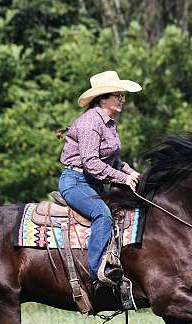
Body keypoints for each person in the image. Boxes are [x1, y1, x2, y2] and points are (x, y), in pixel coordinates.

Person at [58, 70, 142, 287]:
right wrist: (122, 179)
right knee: (102, 215)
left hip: (93, 182)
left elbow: (112, 161)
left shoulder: (109, 123)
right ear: (103, 98)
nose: (122, 99)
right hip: (75, 182)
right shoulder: (90, 122)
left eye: (122, 95)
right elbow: (91, 163)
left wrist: (130, 172)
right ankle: (96, 274)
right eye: (118, 95)